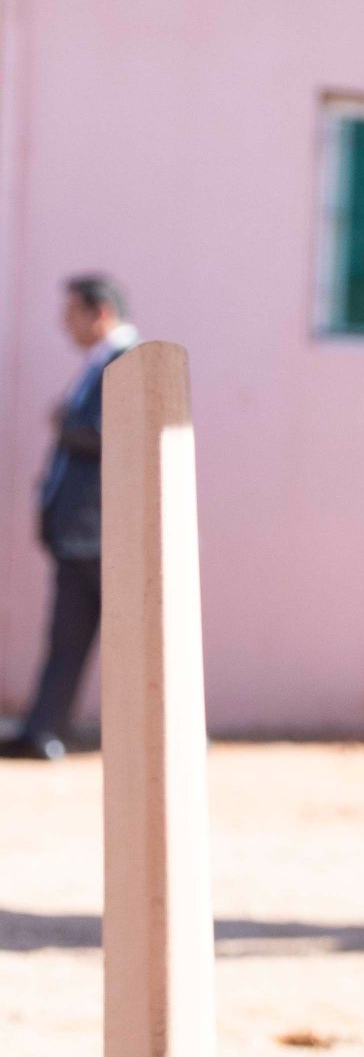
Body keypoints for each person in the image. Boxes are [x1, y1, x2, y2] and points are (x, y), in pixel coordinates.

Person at [4, 276, 137, 761]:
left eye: (72, 316)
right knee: (66, 636)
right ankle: (42, 731)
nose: (66, 327)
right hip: (80, 534)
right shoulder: (100, 363)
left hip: (103, 531)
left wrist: (66, 424)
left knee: (139, 640)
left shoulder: (128, 362)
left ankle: (168, 734)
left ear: (99, 312)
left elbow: (113, 436)